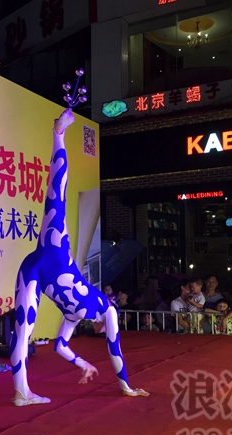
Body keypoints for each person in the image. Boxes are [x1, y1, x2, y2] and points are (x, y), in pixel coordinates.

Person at [10, 108, 148, 406]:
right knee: (56, 195)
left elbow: (60, 346)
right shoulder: (108, 310)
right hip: (58, 257)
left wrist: (83, 364)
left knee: (23, 331)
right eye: (106, 329)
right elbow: (115, 349)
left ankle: (22, 392)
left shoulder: (74, 317)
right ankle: (58, 133)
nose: (105, 331)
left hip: (35, 267)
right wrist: (125, 386)